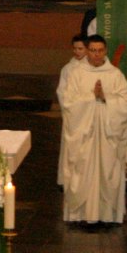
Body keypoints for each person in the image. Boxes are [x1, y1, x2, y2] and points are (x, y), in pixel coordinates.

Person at [57, 34, 127, 225]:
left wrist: (106, 97)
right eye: (92, 50)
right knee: (81, 171)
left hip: (108, 136)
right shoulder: (76, 73)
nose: (96, 55)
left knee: (108, 170)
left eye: (100, 50)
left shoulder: (115, 75)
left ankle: (107, 216)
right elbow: (68, 103)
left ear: (106, 51)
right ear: (87, 51)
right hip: (84, 136)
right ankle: (79, 215)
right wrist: (92, 98)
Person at [56, 34, 88, 186]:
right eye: (74, 48)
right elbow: (61, 92)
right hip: (73, 116)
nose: (77, 52)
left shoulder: (94, 69)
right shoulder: (68, 69)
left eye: (80, 48)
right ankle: (68, 180)